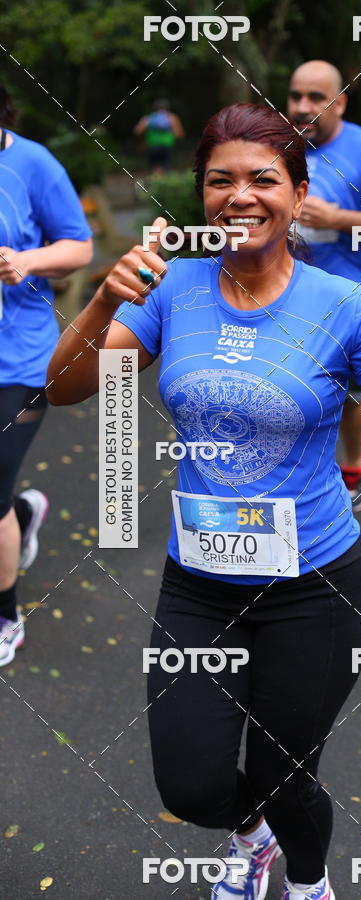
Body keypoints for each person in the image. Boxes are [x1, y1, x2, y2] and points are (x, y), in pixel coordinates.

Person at [47, 103, 361, 900]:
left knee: (284, 772)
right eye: (220, 180)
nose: (240, 196)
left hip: (314, 587)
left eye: (263, 179)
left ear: (300, 196)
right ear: (202, 194)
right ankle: (253, 839)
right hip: (198, 584)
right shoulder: (173, 289)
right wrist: (101, 302)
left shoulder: (343, 304)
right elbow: (65, 388)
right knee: (190, 785)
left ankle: (308, 882)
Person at [287, 60, 361, 512]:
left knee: (353, 395)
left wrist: (338, 219)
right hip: (282, 294)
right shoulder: (279, 144)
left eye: (315, 98)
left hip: (347, 297)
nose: (303, 107)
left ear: (339, 103)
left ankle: (354, 464)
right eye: (296, 96)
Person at [0, 82, 93, 665]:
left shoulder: (32, 163)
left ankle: (5, 615)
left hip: (19, 357)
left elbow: (79, 247)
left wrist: (26, 260)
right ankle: (24, 512)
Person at [133, 99, 185, 174]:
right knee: (164, 168)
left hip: (152, 146)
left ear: (154, 108)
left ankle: (155, 178)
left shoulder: (148, 118)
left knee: (153, 169)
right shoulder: (172, 118)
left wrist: (142, 141)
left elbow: (137, 131)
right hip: (166, 146)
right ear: (168, 108)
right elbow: (180, 134)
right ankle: (161, 179)